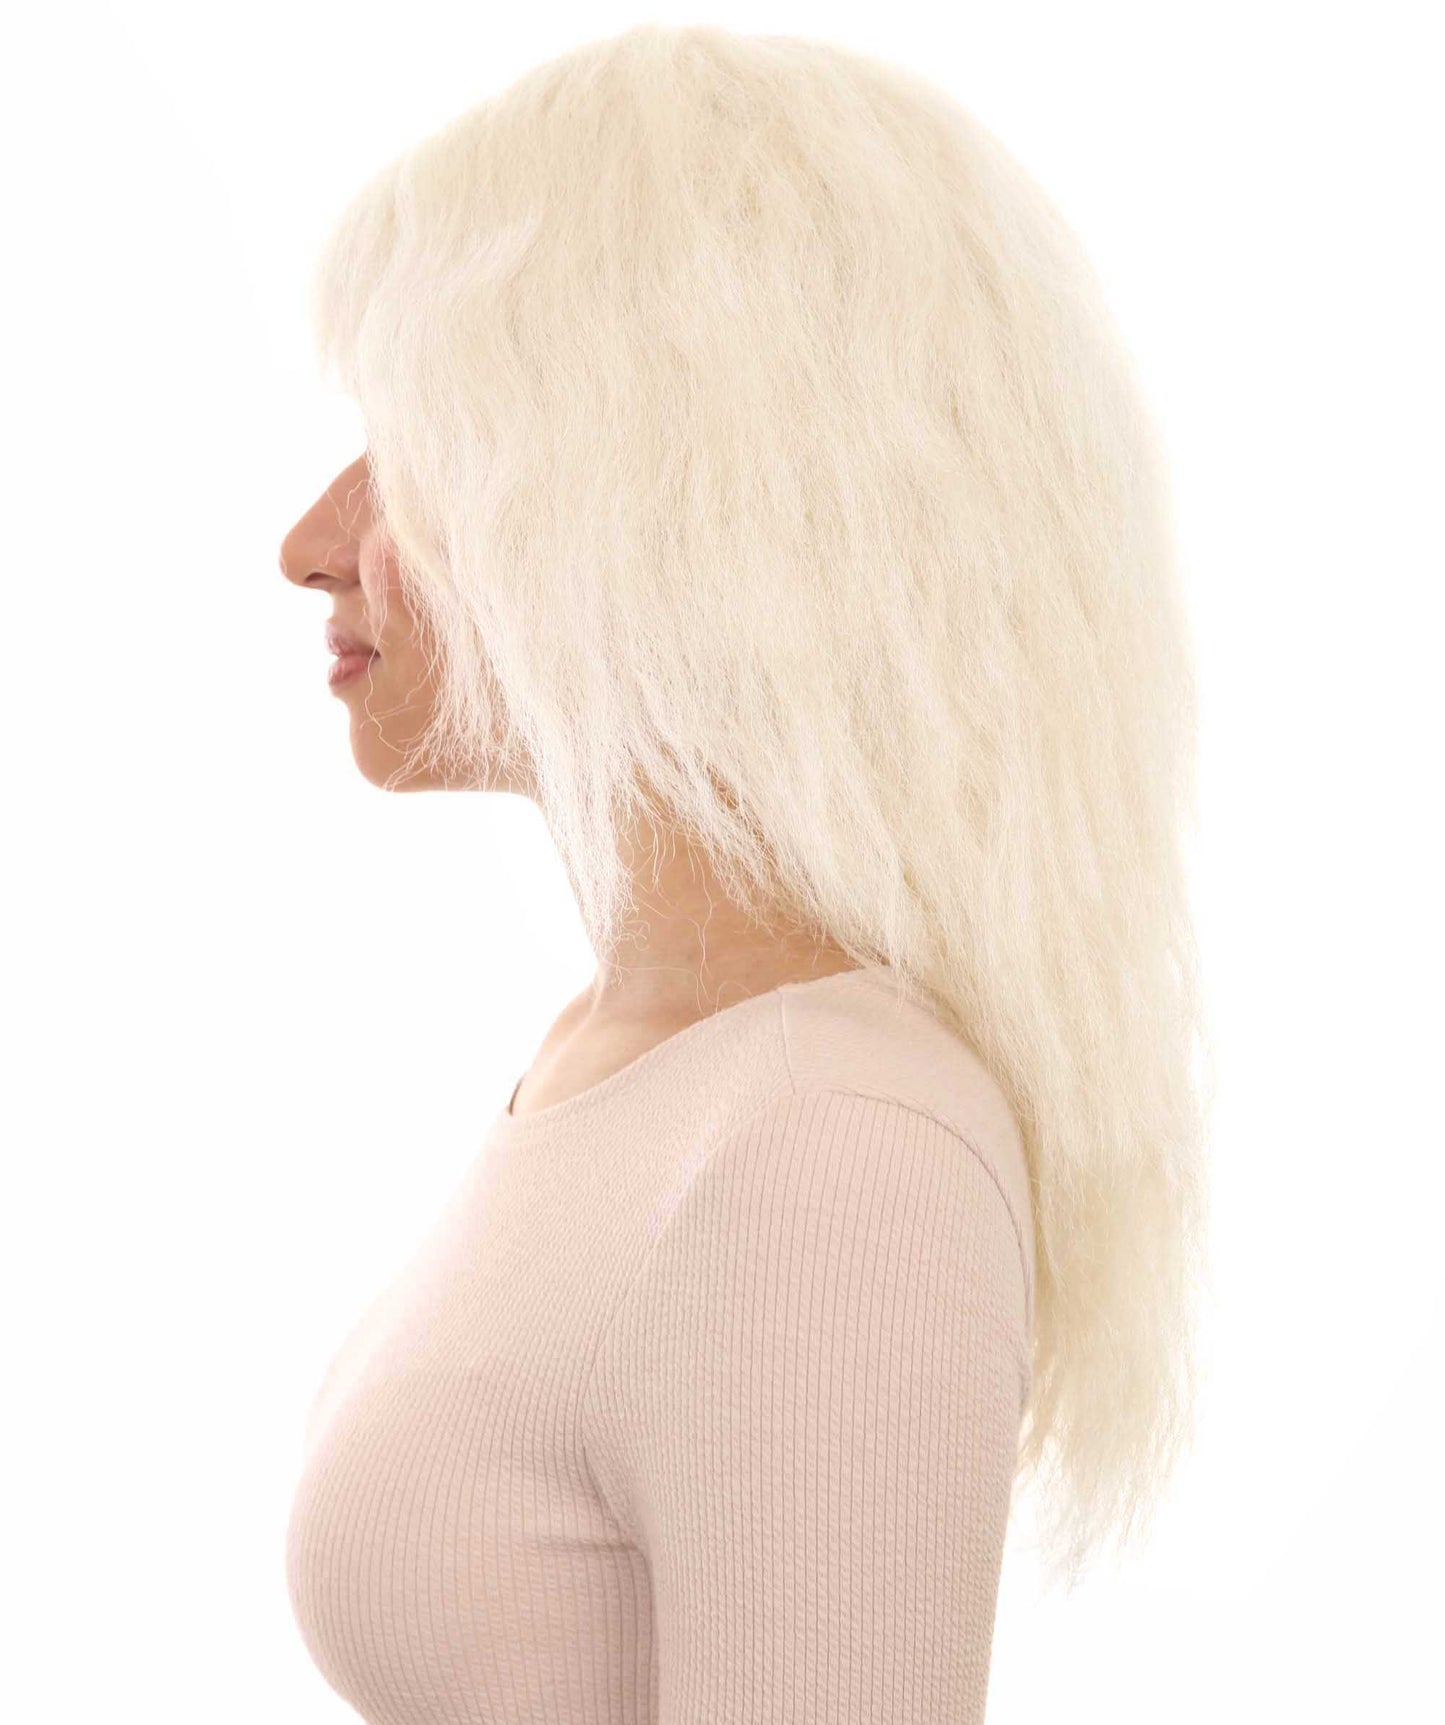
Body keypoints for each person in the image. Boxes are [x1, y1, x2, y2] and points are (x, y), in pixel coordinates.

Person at [277, 23, 1211, 1725]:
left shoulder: (826, 1146)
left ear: (657, 498)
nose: (310, 543)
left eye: (416, 446)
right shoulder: (630, 1064)